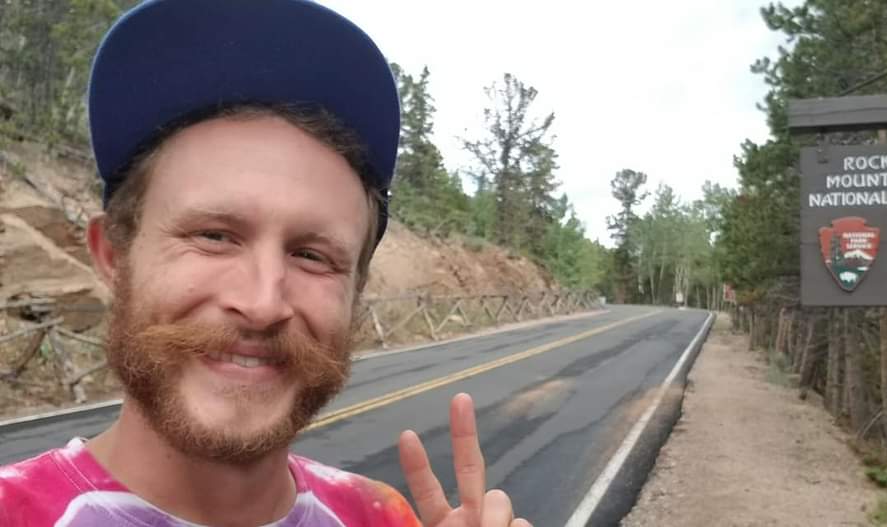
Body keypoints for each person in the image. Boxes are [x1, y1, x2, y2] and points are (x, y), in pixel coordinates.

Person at [0, 1, 530, 526]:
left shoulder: (380, 517)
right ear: (113, 254)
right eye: (214, 236)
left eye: (311, 256)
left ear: (355, 292)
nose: (262, 304)